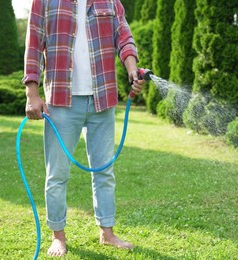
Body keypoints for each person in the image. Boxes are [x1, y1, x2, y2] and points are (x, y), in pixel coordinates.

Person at [22, 0, 144, 257]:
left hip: (103, 99)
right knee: (57, 174)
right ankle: (58, 236)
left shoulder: (109, 1)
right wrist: (31, 94)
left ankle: (107, 233)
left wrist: (133, 70)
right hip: (62, 101)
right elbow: (34, 42)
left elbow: (123, 36)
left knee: (104, 172)